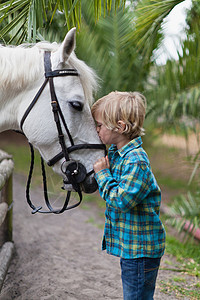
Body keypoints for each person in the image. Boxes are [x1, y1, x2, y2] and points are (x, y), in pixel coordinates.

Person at [91, 91, 166, 300]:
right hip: (131, 247)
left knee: (137, 297)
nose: (96, 130)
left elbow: (121, 200)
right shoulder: (117, 154)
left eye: (99, 125)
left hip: (141, 250)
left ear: (121, 127)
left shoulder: (136, 161)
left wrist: (103, 174)